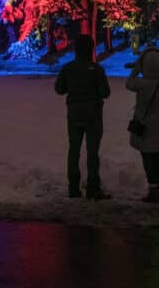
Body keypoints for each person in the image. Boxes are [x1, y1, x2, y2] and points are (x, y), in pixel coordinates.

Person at [54, 34, 111, 201]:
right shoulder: (97, 70)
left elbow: (59, 89)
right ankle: (93, 188)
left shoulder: (68, 68)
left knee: (74, 150)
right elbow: (105, 92)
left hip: (74, 113)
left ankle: (73, 187)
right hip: (93, 114)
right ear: (91, 49)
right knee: (92, 152)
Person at [126, 45, 159, 203]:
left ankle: (153, 189)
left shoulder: (142, 84)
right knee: (157, 156)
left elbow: (129, 83)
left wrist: (137, 68)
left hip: (144, 124)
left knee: (147, 157)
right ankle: (158, 186)